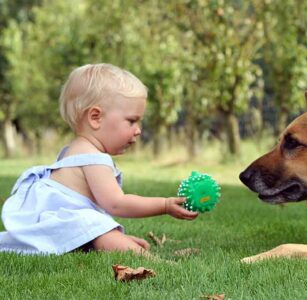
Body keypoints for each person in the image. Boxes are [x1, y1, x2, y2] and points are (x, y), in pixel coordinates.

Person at [0, 63, 198, 257]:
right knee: (95, 226)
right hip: (63, 224)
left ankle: (109, 241)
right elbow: (116, 204)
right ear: (95, 117)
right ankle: (155, 262)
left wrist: (114, 235)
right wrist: (164, 205)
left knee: (98, 228)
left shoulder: (72, 150)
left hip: (56, 225)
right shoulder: (94, 158)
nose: (138, 130)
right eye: (131, 120)